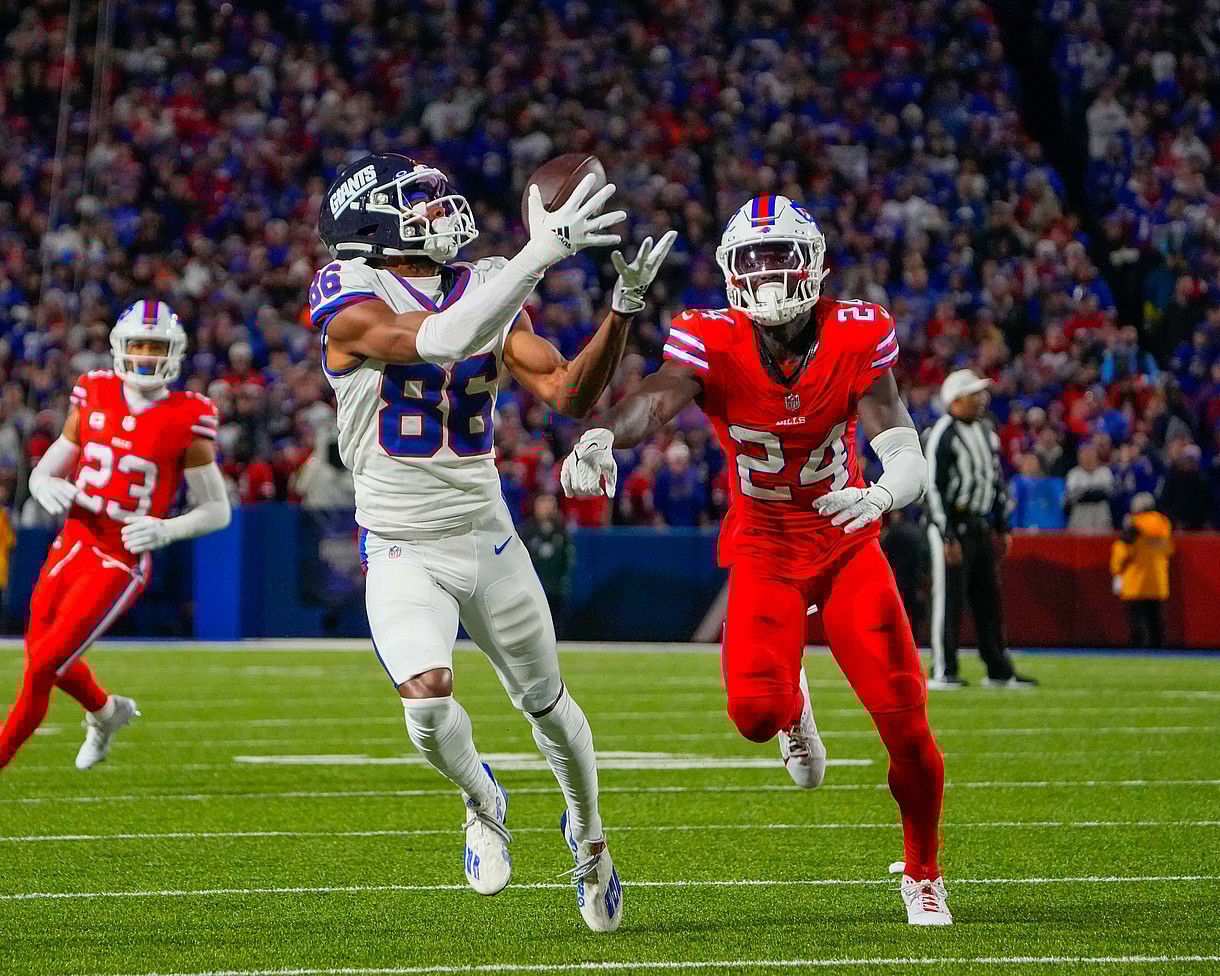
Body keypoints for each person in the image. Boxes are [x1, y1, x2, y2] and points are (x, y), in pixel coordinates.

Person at [561, 195, 951, 926]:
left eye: (781, 256)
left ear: (815, 263)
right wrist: (607, 436)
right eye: (753, 258)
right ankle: (794, 704)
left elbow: (898, 438)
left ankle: (923, 871)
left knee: (906, 722)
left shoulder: (857, 329)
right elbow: (657, 398)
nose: (768, 273)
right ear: (732, 272)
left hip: (846, 539)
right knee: (753, 715)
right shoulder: (710, 337)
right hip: (766, 546)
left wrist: (884, 496)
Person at [312, 152, 675, 931]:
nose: (443, 211)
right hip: (402, 541)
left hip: (487, 536)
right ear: (368, 221)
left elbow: (570, 392)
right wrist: (539, 257)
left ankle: (589, 837)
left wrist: (624, 307)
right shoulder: (348, 293)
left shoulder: (486, 282)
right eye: (419, 202)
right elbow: (440, 341)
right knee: (427, 701)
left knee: (547, 705)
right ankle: (482, 797)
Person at [0, 301, 231, 771]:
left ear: (175, 353)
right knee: (41, 657)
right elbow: (57, 458)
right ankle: (106, 712)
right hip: (72, 541)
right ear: (119, 348)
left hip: (119, 556)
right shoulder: (94, 390)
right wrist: (44, 481)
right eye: (138, 345)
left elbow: (217, 510)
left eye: (156, 346)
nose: (146, 355)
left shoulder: (189, 415)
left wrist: (168, 529)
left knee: (44, 667)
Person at [924, 370, 1033, 691]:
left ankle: (999, 669)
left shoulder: (987, 430)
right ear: (954, 400)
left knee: (989, 599)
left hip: (981, 524)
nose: (981, 399)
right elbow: (932, 487)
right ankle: (943, 669)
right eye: (973, 394)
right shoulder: (942, 433)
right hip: (952, 525)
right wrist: (946, 533)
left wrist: (1001, 526)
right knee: (949, 600)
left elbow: (995, 480)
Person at [1110, 493, 1173, 648]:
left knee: (1137, 621)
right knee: (1155, 620)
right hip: (1158, 581)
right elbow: (1169, 550)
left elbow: (1124, 551)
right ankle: (1159, 649)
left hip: (1136, 581)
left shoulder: (1134, 524)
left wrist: (1116, 571)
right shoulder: (1164, 524)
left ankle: (1139, 650)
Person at [519, 493, 573, 634]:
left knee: (555, 626)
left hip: (555, 589)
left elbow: (567, 559)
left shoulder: (561, 531)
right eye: (544, 504)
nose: (547, 508)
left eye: (551, 504)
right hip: (532, 588)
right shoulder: (527, 531)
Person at [1064, 441, 1115, 532]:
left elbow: (1108, 492)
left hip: (1100, 510)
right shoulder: (1074, 473)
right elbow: (1072, 496)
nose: (1088, 458)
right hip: (1081, 511)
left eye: (1090, 455)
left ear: (1096, 456)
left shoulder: (1104, 471)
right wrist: (1093, 491)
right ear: (1079, 458)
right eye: (1084, 455)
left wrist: (1087, 492)